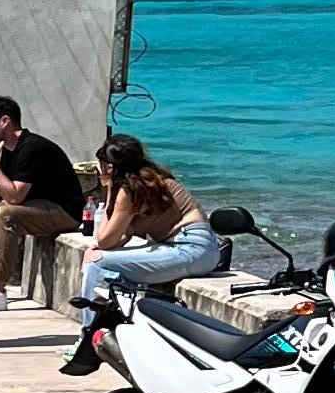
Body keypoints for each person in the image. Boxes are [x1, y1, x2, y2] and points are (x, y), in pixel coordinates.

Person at [62, 135, 223, 372]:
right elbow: (121, 237)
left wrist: (109, 192)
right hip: (195, 249)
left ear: (110, 166)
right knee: (111, 270)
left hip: (188, 248)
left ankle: (87, 338)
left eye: (102, 164)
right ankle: (114, 332)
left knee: (98, 262)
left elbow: (105, 241)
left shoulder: (128, 190)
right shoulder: (150, 180)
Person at [0, 99, 91, 308]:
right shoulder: (9, 147)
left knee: (6, 213)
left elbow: (14, 197)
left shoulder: (32, 148)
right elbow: (3, 185)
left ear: (4, 121)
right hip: (38, 206)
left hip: (65, 211)